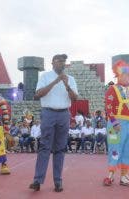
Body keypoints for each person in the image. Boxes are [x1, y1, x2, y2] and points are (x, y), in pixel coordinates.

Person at [29, 54, 78, 192]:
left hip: (64, 113)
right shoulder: (45, 76)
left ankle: (58, 181)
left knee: (60, 148)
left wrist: (66, 84)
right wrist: (56, 81)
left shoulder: (71, 79)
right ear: (52, 63)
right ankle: (37, 180)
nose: (62, 63)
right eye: (59, 61)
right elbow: (38, 94)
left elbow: (75, 98)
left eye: (64, 61)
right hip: (48, 113)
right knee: (45, 146)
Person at [103, 60, 129, 187]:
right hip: (116, 124)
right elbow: (108, 107)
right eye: (126, 75)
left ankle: (124, 177)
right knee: (115, 148)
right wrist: (114, 122)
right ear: (119, 75)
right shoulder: (112, 89)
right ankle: (110, 175)